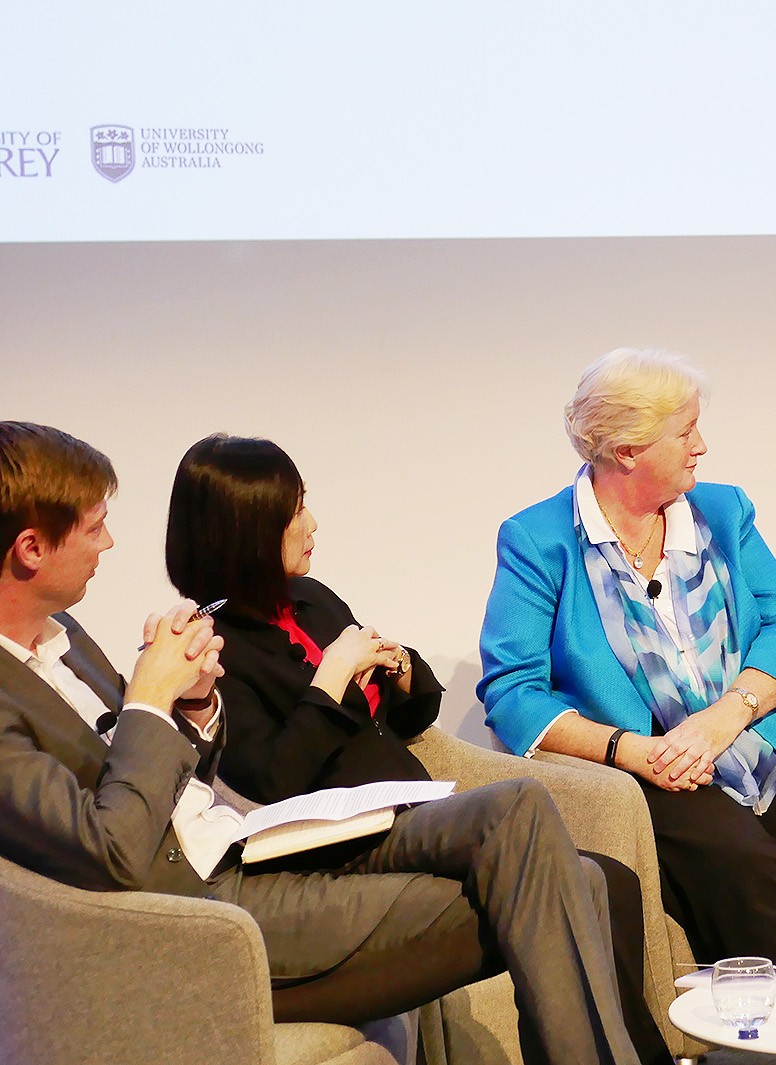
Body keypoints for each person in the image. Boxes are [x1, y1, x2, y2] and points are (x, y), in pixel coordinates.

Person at [0, 422, 639, 1065]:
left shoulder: (66, 638)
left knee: (528, 817)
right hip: (195, 909)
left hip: (246, 850)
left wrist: (191, 704)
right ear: (31, 548)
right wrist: (147, 702)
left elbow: (173, 772)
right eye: (92, 527)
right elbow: (112, 846)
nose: (108, 542)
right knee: (572, 883)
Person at [163, 433, 670, 1065]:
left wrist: (397, 667)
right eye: (294, 511)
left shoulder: (311, 600)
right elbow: (274, 778)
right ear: (249, 530)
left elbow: (412, 713)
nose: (312, 523)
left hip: (409, 806)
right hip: (337, 838)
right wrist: (331, 678)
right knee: (517, 806)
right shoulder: (209, 648)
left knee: (598, 878)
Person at [478, 347, 776, 965]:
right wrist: (630, 751)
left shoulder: (723, 513)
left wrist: (728, 714)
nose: (701, 445)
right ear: (626, 450)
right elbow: (513, 691)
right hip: (655, 765)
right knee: (745, 867)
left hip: (756, 738)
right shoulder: (539, 540)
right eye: (685, 431)